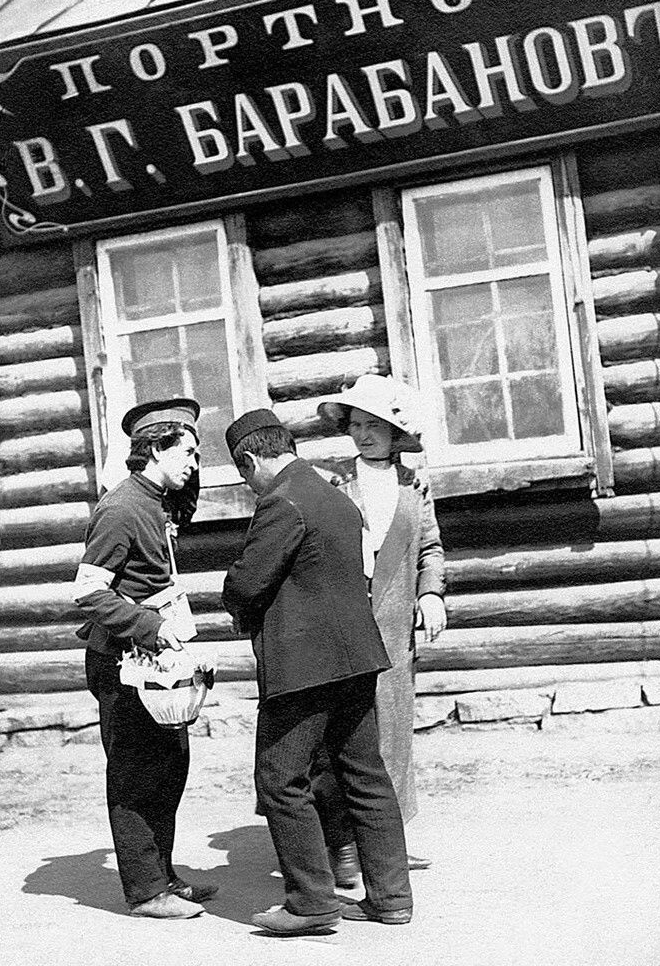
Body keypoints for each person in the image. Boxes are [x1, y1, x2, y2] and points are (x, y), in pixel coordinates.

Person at [221, 408, 413, 935]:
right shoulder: (335, 497)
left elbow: (247, 583)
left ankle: (310, 904)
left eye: (244, 475)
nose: (249, 486)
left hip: (304, 665)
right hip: (357, 659)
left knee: (281, 779)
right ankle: (392, 899)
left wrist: (233, 597)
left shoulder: (281, 501)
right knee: (365, 776)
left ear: (251, 460)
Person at [72, 398, 217, 920]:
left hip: (154, 662)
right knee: (135, 774)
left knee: (170, 767)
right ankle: (145, 891)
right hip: (121, 663)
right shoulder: (121, 508)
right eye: (188, 452)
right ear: (155, 449)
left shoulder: (157, 503)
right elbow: (88, 592)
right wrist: (152, 627)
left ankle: (164, 875)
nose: (195, 463)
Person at [314, 374, 446, 885]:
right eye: (356, 425)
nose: (364, 434)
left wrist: (430, 593)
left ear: (395, 432)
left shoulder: (415, 484)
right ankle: (344, 844)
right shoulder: (333, 483)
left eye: (374, 425)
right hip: (345, 624)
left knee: (392, 732)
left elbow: (430, 548)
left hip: (393, 629)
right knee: (342, 733)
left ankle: (389, 841)